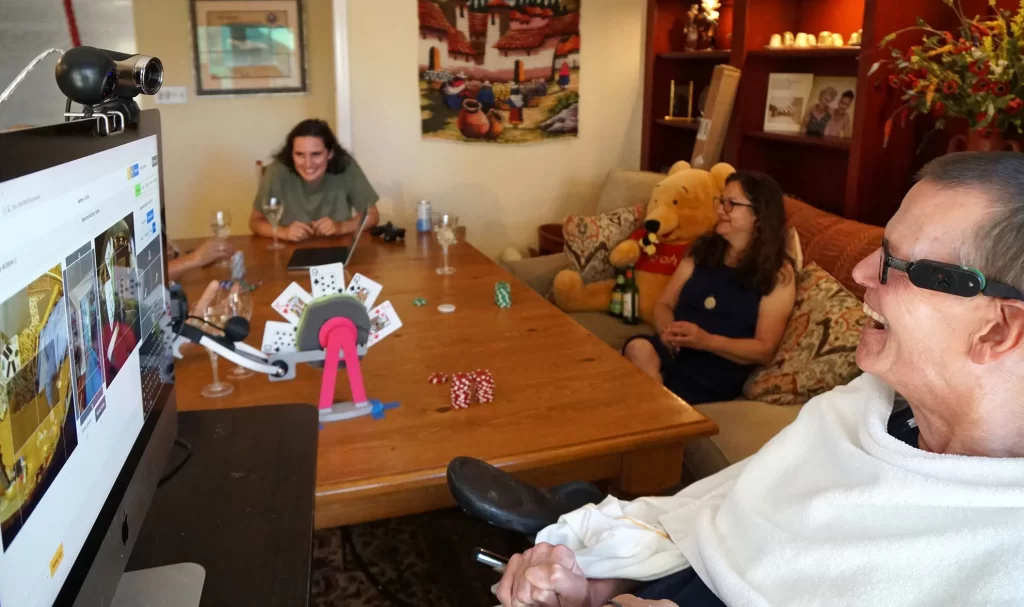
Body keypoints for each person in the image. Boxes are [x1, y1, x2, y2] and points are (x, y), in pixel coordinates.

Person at [495, 151, 1024, 606]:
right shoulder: (860, 411)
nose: (861, 273)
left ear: (998, 328)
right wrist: (597, 582)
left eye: (898, 264)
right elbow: (715, 518)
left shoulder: (1002, 562)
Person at [623, 171, 796, 404]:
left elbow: (764, 350)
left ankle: (658, 414)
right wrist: (668, 333)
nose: (720, 210)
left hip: (717, 367)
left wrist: (705, 341)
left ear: (759, 214)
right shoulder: (704, 248)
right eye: (721, 201)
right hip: (675, 351)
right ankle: (660, 410)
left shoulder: (777, 274)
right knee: (637, 348)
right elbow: (664, 303)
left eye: (731, 204)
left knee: (635, 387)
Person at [249, 119, 379, 243]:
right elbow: (255, 221)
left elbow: (372, 215)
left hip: (336, 246)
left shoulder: (346, 166)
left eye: (316, 154)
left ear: (330, 153)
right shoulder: (277, 171)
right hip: (288, 249)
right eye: (299, 154)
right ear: (291, 154)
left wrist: (341, 227)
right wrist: (284, 232)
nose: (308, 164)